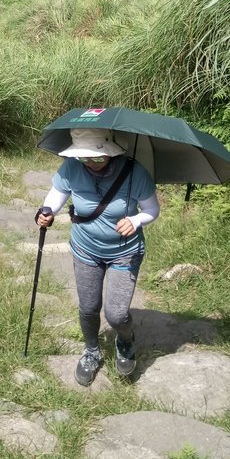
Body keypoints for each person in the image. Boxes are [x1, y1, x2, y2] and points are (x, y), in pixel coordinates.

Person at [35, 127, 160, 384]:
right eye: (84, 157)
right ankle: (91, 350)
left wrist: (136, 220)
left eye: (97, 157)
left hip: (125, 253)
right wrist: (47, 211)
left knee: (116, 315)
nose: (91, 163)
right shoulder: (71, 168)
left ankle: (125, 340)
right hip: (85, 249)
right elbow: (56, 197)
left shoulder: (134, 172)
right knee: (89, 308)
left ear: (111, 152)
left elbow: (152, 209)